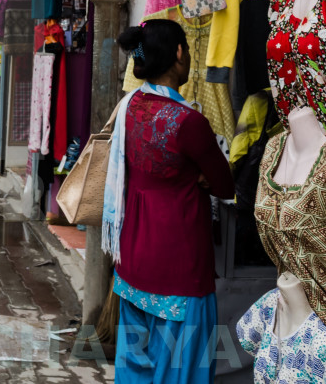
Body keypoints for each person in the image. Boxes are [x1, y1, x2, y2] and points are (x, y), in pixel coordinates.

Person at [105, 20, 234, 382]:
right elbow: (225, 185)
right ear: (179, 53)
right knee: (180, 370)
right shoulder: (189, 122)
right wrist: (203, 175)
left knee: (135, 368)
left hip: (133, 256)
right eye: (187, 50)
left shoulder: (130, 107)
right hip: (179, 263)